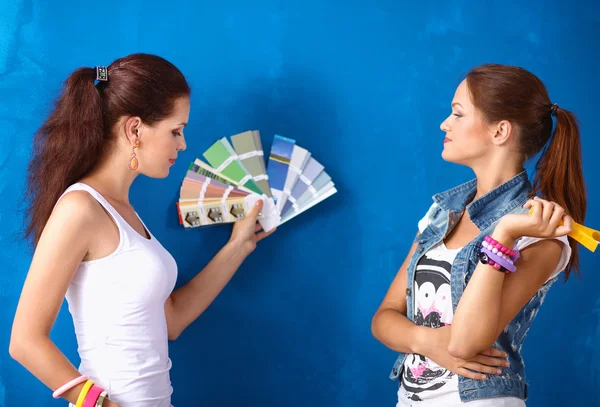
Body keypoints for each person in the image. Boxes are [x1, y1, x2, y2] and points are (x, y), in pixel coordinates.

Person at [9, 53, 275, 407]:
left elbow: (173, 320)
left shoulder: (126, 214)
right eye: (175, 131)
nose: (182, 144)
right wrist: (102, 405)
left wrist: (239, 245)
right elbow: (25, 341)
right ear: (134, 129)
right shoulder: (80, 208)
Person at [371, 63, 586, 406]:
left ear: (500, 131)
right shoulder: (441, 214)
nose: (445, 123)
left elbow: (465, 344)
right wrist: (424, 340)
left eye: (458, 113)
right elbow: (383, 319)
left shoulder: (538, 235)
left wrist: (502, 236)